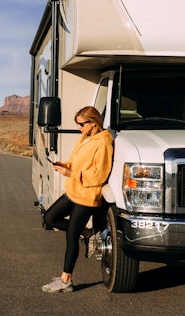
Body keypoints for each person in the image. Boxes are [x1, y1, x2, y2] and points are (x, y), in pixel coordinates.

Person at [41, 106, 113, 293]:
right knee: (50, 218)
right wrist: (63, 165)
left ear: (93, 122)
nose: (79, 128)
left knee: (70, 236)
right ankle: (88, 233)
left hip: (87, 196)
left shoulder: (104, 142)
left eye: (81, 124)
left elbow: (100, 175)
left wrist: (71, 173)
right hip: (73, 191)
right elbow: (75, 161)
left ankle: (66, 280)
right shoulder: (85, 138)